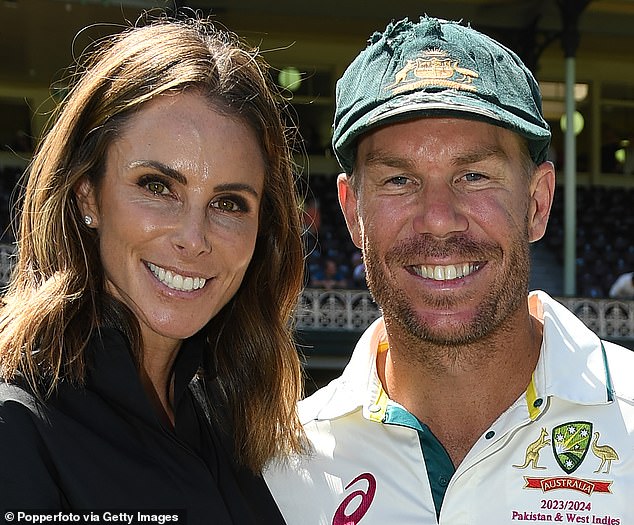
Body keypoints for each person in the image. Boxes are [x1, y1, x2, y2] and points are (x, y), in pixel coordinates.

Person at [265, 16, 634, 524]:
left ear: (537, 202)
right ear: (352, 213)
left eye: (474, 175)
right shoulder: (279, 466)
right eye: (399, 179)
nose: (438, 220)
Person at [0, 16, 305, 523]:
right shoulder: (16, 424)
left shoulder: (234, 425)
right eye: (157, 186)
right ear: (87, 195)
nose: (193, 237)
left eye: (229, 202)